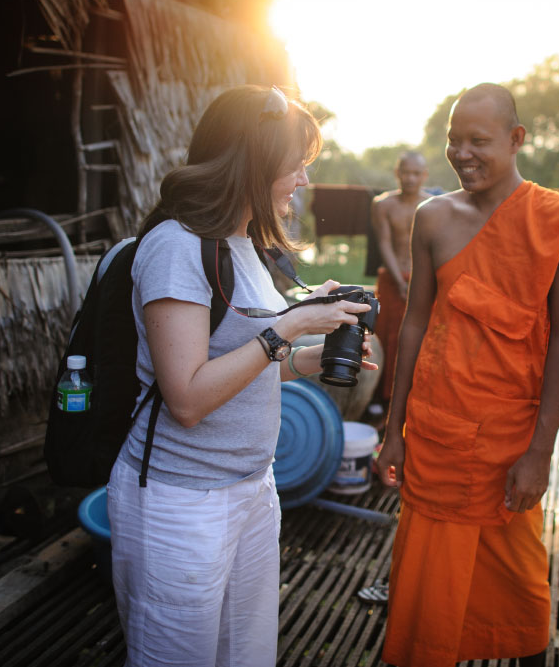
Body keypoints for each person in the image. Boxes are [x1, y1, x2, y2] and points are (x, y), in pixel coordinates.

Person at [106, 85, 376, 667]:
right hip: (182, 500)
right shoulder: (175, 247)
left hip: (252, 487)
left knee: (244, 655)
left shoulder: (242, 244)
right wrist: (292, 324)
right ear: (253, 163)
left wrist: (310, 354)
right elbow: (188, 398)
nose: (304, 182)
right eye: (296, 166)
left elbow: (244, 367)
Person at [375, 83, 559, 667]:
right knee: (427, 589)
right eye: (454, 141)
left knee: (522, 594)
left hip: (508, 443)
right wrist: (393, 428)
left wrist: (541, 452)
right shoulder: (433, 218)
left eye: (479, 141)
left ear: (516, 139)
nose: (463, 153)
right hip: (438, 431)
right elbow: (414, 325)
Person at [370, 151, 431, 413]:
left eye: (416, 173)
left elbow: (433, 249)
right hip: (393, 278)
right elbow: (384, 243)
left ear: (424, 176)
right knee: (385, 336)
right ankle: (379, 399)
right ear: (398, 173)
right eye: (406, 172)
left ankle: (413, 397)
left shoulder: (433, 205)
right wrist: (400, 281)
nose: (411, 178)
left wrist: (421, 282)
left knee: (418, 335)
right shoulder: (383, 205)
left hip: (422, 279)